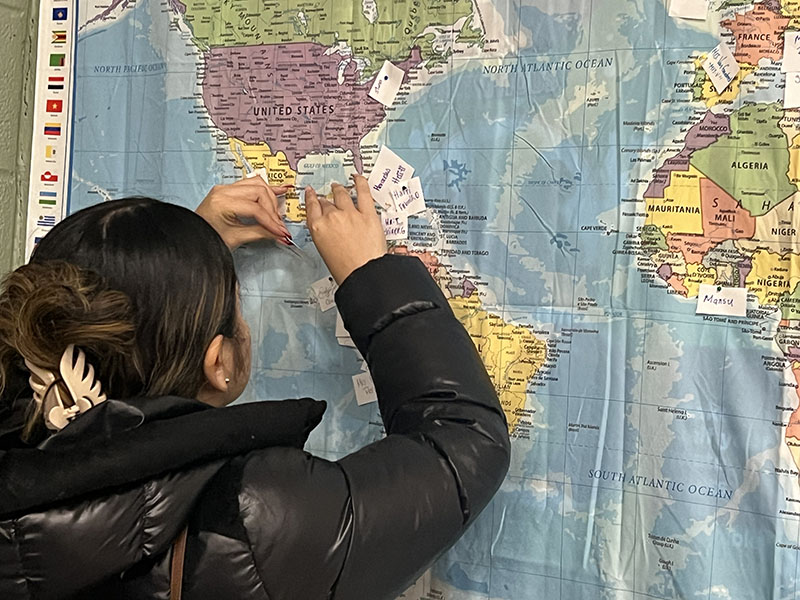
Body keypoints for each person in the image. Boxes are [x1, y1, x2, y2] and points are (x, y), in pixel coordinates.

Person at [0, 174, 510, 599]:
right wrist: (371, 276)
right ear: (219, 363)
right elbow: (465, 442)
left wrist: (179, 262)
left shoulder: (18, 434)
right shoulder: (255, 519)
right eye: (236, 305)